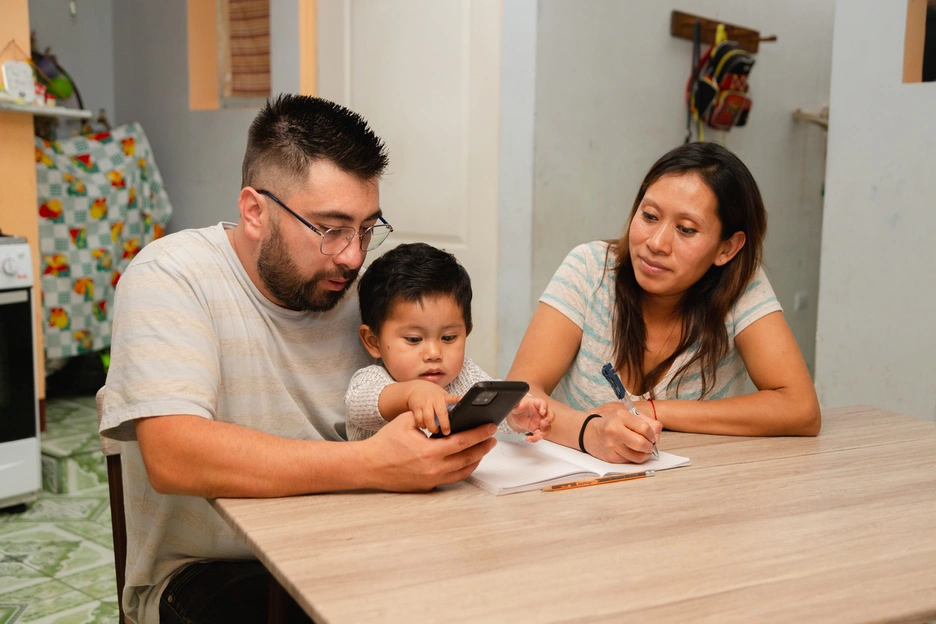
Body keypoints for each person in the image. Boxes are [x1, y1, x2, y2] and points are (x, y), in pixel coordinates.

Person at [98, 95, 498, 624]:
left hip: (358, 540)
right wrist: (373, 464)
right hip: (215, 569)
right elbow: (174, 453)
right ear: (255, 212)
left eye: (366, 228)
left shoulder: (360, 297)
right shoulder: (172, 277)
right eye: (330, 229)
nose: (354, 256)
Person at [507, 142, 821, 465]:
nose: (656, 243)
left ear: (727, 248)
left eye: (686, 229)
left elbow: (800, 408)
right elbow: (520, 393)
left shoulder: (741, 286)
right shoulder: (589, 270)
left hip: (693, 495)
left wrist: (653, 410)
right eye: (649, 216)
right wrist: (592, 433)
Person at [345, 242, 554, 441]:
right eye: (414, 339)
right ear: (373, 342)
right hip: (381, 478)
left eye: (448, 338)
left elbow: (492, 408)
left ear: (466, 332)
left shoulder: (465, 376)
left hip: (456, 478)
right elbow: (360, 406)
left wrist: (516, 415)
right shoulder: (371, 380)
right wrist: (413, 394)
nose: (434, 353)